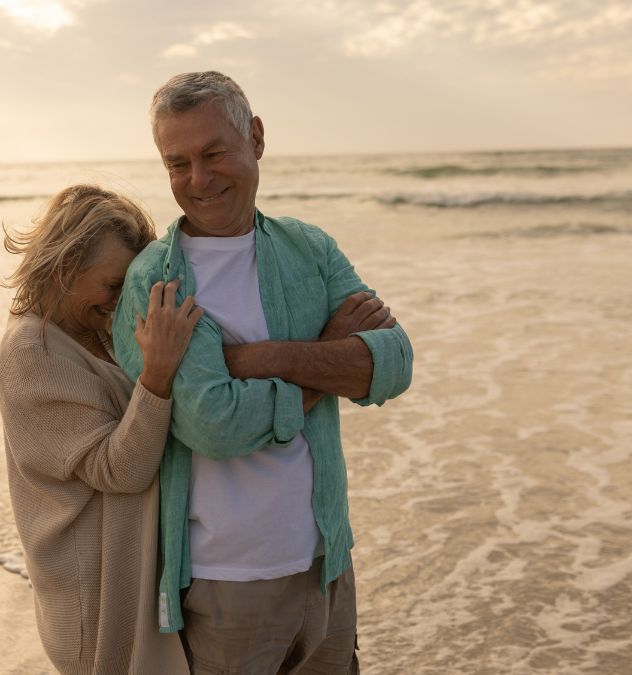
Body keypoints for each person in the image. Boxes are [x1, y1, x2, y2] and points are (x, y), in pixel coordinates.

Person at [111, 71, 415, 674]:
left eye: (214, 153)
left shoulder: (310, 249)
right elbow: (215, 425)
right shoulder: (156, 279)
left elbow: (393, 364)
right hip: (226, 582)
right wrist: (327, 357)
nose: (198, 179)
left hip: (326, 561)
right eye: (178, 163)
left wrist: (263, 357)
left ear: (255, 137)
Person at [0, 184, 198, 674]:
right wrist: (157, 373)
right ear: (64, 269)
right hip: (95, 606)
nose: (120, 300)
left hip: (128, 579)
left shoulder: (90, 328)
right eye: (112, 285)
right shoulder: (32, 353)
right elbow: (118, 470)